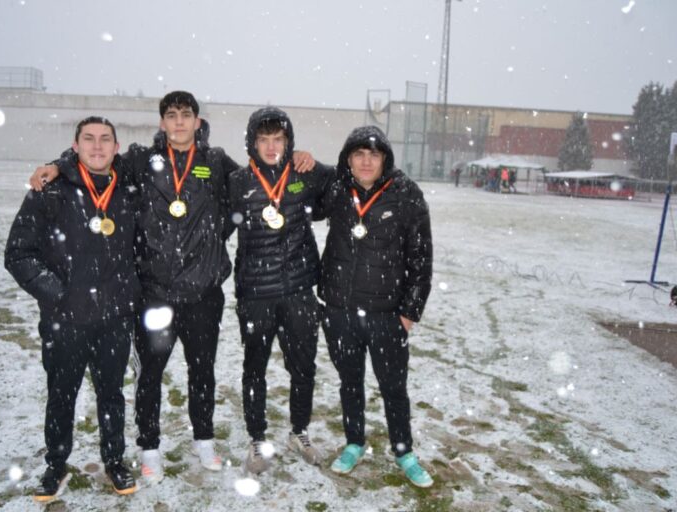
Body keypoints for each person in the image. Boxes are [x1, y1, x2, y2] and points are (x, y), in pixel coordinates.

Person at [28, 92, 315, 484]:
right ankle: (149, 448)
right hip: (156, 292)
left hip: (203, 294)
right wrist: (59, 164)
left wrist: (297, 159)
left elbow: (257, 181)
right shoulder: (142, 161)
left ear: (197, 122)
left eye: (186, 115)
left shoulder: (216, 163)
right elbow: (96, 159)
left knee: (202, 373)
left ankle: (204, 440)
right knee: (150, 375)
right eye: (172, 115)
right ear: (162, 122)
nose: (179, 122)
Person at [5, 117, 140, 501]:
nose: (97, 146)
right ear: (75, 146)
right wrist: (58, 295)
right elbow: (18, 254)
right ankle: (56, 465)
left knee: (111, 395)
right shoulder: (49, 190)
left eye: (105, 139)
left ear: (116, 147)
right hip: (65, 320)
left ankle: (114, 460)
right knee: (61, 395)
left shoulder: (129, 188)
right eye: (89, 139)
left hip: (114, 318)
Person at [317, 125, 434, 488]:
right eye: (358, 154)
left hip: (387, 314)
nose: (366, 161)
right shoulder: (337, 189)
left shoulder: (405, 194)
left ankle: (404, 451)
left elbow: (421, 258)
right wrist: (299, 159)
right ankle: (354, 442)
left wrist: (409, 313)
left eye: (373, 154)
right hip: (341, 311)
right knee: (350, 383)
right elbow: (302, 201)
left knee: (393, 387)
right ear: (348, 159)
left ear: (385, 159)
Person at [228, 107, 333, 474]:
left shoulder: (303, 174)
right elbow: (211, 224)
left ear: (289, 142)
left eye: (279, 139)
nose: (271, 147)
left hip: (299, 290)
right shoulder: (237, 181)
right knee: (254, 367)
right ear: (252, 143)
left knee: (303, 366)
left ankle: (299, 432)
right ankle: (257, 439)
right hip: (256, 293)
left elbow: (342, 181)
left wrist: (314, 162)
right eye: (264, 140)